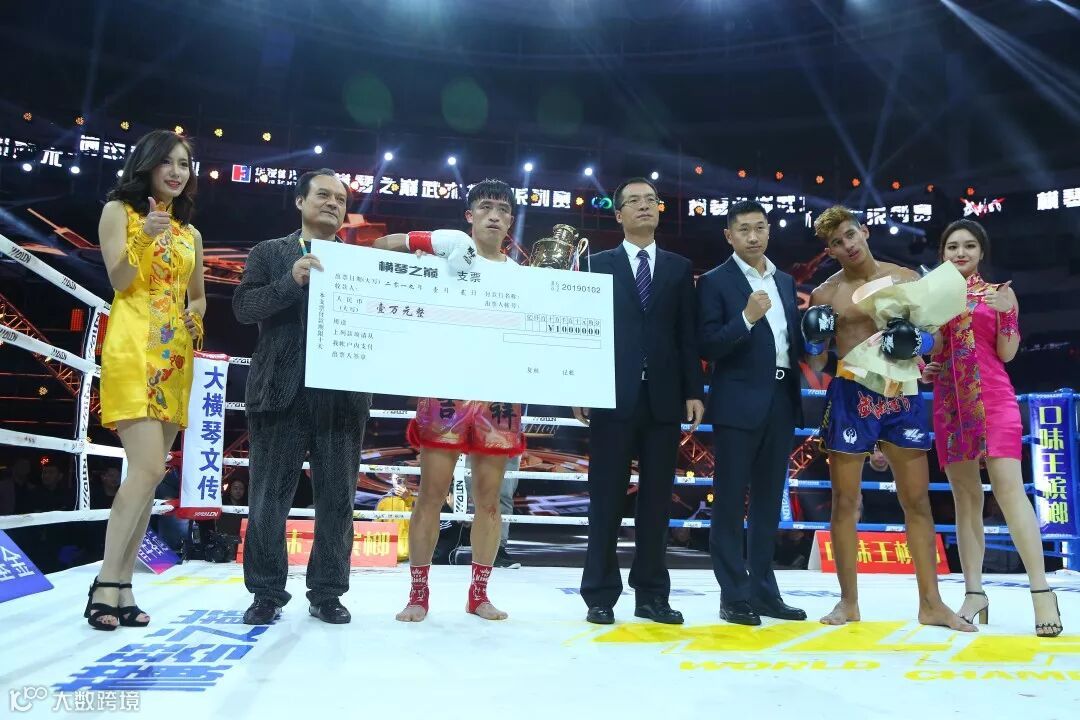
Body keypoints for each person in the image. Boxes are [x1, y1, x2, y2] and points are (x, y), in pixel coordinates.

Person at [803, 205, 973, 631]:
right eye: (837, 242)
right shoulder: (826, 294)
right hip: (851, 394)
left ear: (864, 231)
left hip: (901, 393)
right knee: (845, 502)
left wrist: (919, 341)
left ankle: (931, 604)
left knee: (916, 500)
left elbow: (935, 339)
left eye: (850, 234)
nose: (847, 245)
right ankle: (848, 603)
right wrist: (816, 338)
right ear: (830, 250)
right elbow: (819, 362)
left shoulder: (905, 278)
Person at [374, 178, 524, 622]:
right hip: (446, 388)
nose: (494, 215)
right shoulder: (448, 247)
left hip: (498, 392)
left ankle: (479, 595)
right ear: (469, 215)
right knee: (431, 494)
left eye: (503, 208)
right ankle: (418, 594)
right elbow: (381, 246)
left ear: (511, 220)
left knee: (490, 501)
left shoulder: (521, 276)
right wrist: (425, 249)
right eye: (486, 207)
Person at [234, 168, 371, 625]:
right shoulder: (269, 252)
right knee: (268, 499)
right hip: (279, 391)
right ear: (300, 201)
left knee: (338, 500)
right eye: (323, 195)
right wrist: (289, 282)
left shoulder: (361, 262)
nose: (333, 203)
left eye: (341, 198)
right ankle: (266, 592)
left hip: (343, 398)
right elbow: (243, 308)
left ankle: (328, 593)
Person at [88, 129, 206, 631]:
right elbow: (118, 280)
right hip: (133, 347)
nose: (177, 172)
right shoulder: (119, 211)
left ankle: (123, 587)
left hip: (175, 358)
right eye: (168, 163)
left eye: (184, 164)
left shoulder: (190, 233)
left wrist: (196, 318)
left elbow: (197, 295)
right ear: (148, 165)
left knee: (153, 475)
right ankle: (104, 581)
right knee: (147, 466)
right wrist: (145, 236)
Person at [574, 177, 705, 625]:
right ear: (618, 214)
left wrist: (694, 390)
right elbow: (584, 331)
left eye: (651, 200)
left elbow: (687, 335)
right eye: (634, 201)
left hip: (665, 399)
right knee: (605, 499)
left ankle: (651, 595)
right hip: (611, 395)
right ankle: (599, 595)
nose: (644, 206)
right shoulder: (594, 266)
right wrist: (580, 387)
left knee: (656, 503)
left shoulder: (678, 268)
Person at [922, 219, 1062, 636]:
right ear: (942, 254)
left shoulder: (1000, 293)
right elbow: (937, 353)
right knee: (965, 498)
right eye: (952, 247)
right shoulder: (933, 299)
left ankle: (1041, 591)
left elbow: (1008, 352)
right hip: (950, 405)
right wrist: (928, 367)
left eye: (968, 246)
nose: (960, 253)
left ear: (981, 252)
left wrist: (1007, 315)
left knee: (1009, 490)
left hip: (993, 400)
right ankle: (974, 592)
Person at [697, 200, 805, 625]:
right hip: (737, 402)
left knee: (768, 502)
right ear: (729, 235)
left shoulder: (785, 280)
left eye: (760, 227)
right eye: (744, 229)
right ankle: (733, 596)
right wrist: (745, 317)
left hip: (782, 399)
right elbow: (708, 345)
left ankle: (763, 591)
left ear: (769, 230)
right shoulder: (714, 281)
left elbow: (791, 343)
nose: (754, 236)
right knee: (728, 502)